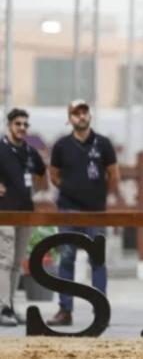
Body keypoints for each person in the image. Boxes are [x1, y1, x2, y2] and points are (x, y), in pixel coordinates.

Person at [47, 99, 121, 326]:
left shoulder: (104, 144)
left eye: (84, 112)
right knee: (66, 258)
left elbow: (114, 175)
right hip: (68, 210)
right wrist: (71, 192)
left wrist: (98, 195)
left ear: (90, 115)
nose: (81, 116)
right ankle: (65, 310)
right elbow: (54, 175)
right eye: (76, 113)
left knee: (97, 260)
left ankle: (101, 311)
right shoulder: (61, 146)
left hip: (95, 212)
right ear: (69, 118)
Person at [0, 108, 47, 326]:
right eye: (18, 124)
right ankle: (3, 307)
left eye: (25, 125)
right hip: (4, 213)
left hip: (25, 213)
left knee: (17, 263)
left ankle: (10, 305)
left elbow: (42, 174)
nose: (22, 128)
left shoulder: (29, 151)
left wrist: (34, 192)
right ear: (9, 124)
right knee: (4, 261)